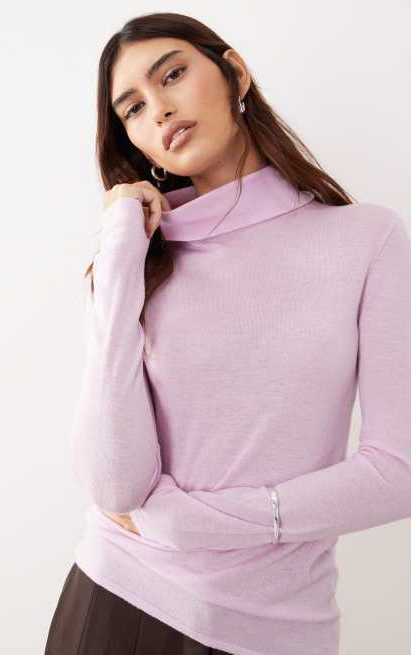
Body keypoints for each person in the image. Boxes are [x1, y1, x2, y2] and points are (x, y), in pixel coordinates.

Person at [45, 11, 411, 655]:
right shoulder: (137, 261)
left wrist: (201, 523)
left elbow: (398, 470)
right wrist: (120, 245)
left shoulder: (367, 240)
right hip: (119, 601)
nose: (160, 109)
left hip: (285, 630)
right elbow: (114, 486)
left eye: (173, 75)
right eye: (133, 108)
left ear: (234, 72)